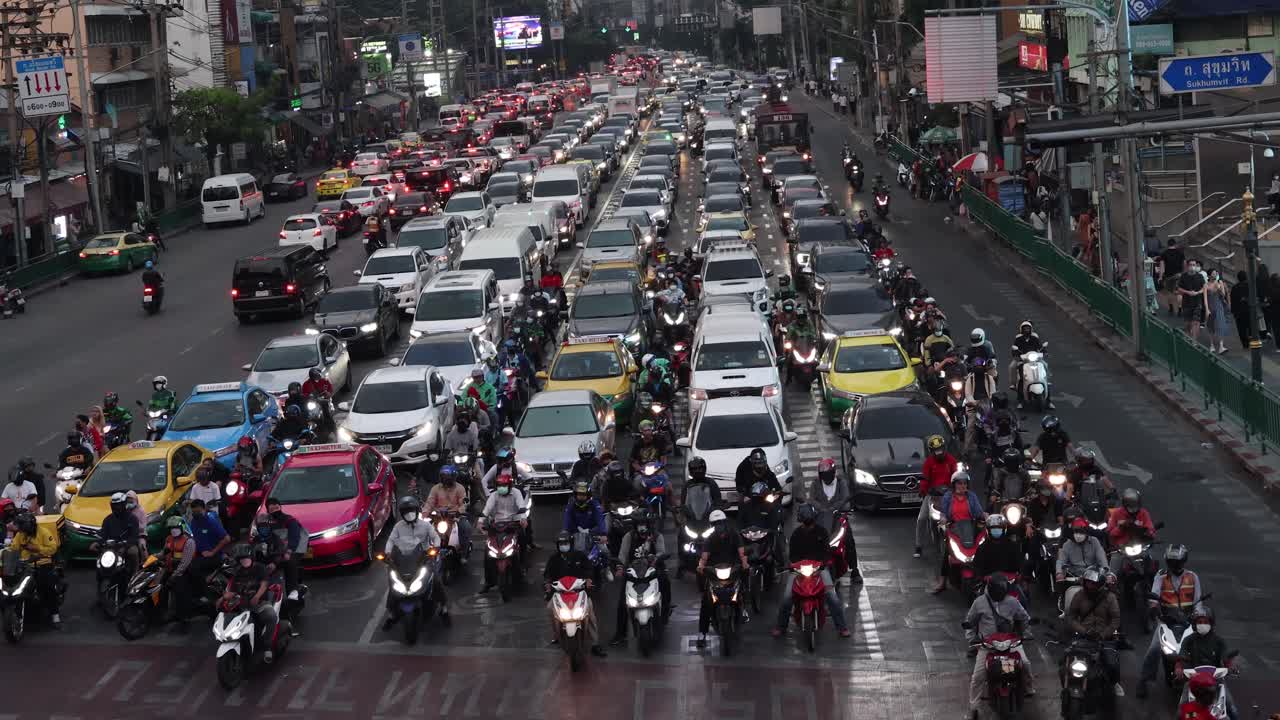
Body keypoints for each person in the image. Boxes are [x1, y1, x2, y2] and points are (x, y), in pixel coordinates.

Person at [770, 504, 852, 639]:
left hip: (819, 568)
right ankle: (781, 626)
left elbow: (826, 552)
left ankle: (842, 627)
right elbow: (793, 555)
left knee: (833, 598)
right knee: (786, 599)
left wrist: (822, 564)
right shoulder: (796, 534)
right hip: (799, 570)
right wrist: (793, 565)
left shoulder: (822, 532)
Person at [1137, 544, 1202, 698]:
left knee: (1200, 649)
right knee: (1153, 650)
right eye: (1172, 562)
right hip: (1166, 622)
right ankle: (1143, 680)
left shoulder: (1193, 577)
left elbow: (1198, 600)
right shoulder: (1160, 576)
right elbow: (1154, 596)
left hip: (1188, 621)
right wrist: (1154, 609)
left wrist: (1198, 616)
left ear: (1183, 561)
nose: (1175, 565)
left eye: (1178, 562)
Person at [965, 574, 1034, 716]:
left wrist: (1026, 633)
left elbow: (1024, 617)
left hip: (1010, 643)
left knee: (1025, 664)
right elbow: (970, 622)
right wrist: (972, 639)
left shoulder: (1012, 602)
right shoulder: (979, 602)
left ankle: (1028, 688)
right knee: (978, 677)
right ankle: (974, 706)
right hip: (988, 645)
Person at [381, 496, 449, 629]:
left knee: (435, 579)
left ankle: (444, 607)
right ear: (402, 513)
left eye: (411, 510)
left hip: (424, 558)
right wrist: (388, 553)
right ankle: (391, 613)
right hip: (403, 560)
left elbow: (435, 537)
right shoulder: (398, 526)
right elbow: (390, 541)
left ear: (417, 511)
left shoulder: (425, 525)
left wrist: (436, 547)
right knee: (393, 583)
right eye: (406, 511)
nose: (409, 513)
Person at [611, 509, 670, 645]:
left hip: (653, 571)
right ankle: (620, 634)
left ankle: (665, 614)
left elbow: (661, 552)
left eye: (644, 524)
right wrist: (620, 568)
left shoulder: (657, 536)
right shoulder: (628, 537)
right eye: (639, 524)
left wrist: (656, 559)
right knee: (622, 602)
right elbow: (622, 556)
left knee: (665, 583)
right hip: (633, 573)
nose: (641, 527)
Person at [543, 530, 607, 656]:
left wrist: (588, 579)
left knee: (590, 612)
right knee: (550, 608)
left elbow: (589, 569)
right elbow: (547, 575)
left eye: (566, 543)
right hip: (560, 592)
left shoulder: (580, 556)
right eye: (561, 543)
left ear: (571, 543)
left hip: (579, 591)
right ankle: (557, 634)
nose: (563, 545)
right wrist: (548, 584)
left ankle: (595, 644)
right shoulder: (553, 559)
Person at [1173, 606, 1239, 720]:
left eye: (1205, 622)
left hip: (1216, 680)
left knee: (1232, 709)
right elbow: (1181, 656)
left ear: (1211, 623)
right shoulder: (1189, 640)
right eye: (1199, 622)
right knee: (1180, 713)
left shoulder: (1219, 641)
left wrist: (1230, 666)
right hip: (1193, 680)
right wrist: (1178, 667)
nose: (1202, 624)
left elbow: (1226, 658)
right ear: (1194, 624)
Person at [1066, 566, 1123, 696]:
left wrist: (1104, 634)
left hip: (1104, 638)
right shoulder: (1079, 595)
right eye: (1087, 582)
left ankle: (1115, 684)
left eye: (1093, 583)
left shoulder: (1110, 597)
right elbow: (1071, 617)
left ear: (1101, 584)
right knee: (1065, 661)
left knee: (1112, 664)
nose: (1090, 585)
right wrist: (1083, 631)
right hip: (1083, 637)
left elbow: (1115, 620)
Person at [696, 509, 749, 648]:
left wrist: (744, 563)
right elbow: (704, 557)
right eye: (715, 524)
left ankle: (743, 608)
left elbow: (742, 552)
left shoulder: (734, 535)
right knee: (706, 601)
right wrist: (701, 566)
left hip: (733, 569)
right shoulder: (710, 539)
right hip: (715, 572)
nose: (719, 526)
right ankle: (702, 633)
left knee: (743, 584)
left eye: (720, 523)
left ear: (725, 523)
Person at [221, 544, 279, 658]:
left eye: (246, 558)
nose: (244, 561)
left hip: (260, 603)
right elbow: (232, 591)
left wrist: (257, 596)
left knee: (271, 616)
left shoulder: (260, 568)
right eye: (241, 559)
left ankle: (267, 647)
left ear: (251, 557)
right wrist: (223, 597)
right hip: (243, 605)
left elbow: (264, 584)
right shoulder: (237, 572)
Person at [933, 472, 985, 593]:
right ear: (954, 485)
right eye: (959, 483)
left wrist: (986, 516)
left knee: (983, 546)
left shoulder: (971, 496)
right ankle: (942, 582)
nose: (962, 486)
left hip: (970, 527)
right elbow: (944, 513)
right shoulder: (948, 496)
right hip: (954, 528)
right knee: (947, 552)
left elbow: (978, 512)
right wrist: (943, 518)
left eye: (964, 483)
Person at [809, 458, 860, 581]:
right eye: (823, 475)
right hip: (820, 520)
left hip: (838, 518)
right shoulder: (815, 484)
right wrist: (820, 508)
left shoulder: (842, 483)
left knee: (848, 539)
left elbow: (845, 499)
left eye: (828, 474)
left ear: (833, 473)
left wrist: (834, 508)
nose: (826, 477)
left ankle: (854, 570)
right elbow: (811, 500)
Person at [8, 511, 62, 627]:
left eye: (22, 526)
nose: (20, 529)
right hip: (24, 565)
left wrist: (37, 549)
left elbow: (52, 548)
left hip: (42, 564)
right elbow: (14, 548)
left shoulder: (44, 532)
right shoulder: (20, 535)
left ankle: (55, 614)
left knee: (47, 585)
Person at [479, 473, 529, 593]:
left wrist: (523, 519)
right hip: (497, 525)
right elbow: (487, 509)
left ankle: (522, 566)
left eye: (504, 485)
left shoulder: (516, 493)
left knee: (522, 539)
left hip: (513, 523)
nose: (501, 487)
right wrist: (480, 522)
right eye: (499, 485)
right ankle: (489, 582)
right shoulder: (494, 495)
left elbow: (521, 506)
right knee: (488, 552)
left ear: (510, 485)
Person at [917, 435, 957, 558]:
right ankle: (918, 546)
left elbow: (956, 476)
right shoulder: (928, 462)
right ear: (931, 451)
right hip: (932, 495)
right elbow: (925, 479)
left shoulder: (951, 460)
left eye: (941, 449)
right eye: (936, 450)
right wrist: (923, 490)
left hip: (948, 494)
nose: (939, 453)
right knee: (922, 518)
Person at [1106, 487, 1157, 576]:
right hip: (1120, 549)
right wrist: (1120, 527)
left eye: (1135, 506)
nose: (1133, 510)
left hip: (1139, 548)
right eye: (1131, 507)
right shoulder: (1117, 513)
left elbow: (1150, 529)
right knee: (1112, 575)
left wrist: (1149, 533)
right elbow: (1110, 532)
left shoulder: (1143, 513)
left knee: (1150, 569)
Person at [262, 497, 304, 600]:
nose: (276, 511)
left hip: (292, 549)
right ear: (268, 511)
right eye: (272, 509)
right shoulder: (266, 522)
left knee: (289, 561)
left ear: (280, 507)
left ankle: (293, 590)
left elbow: (295, 537)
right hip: (276, 550)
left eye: (277, 508)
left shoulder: (290, 520)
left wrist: (289, 551)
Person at [159, 515, 197, 625]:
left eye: (175, 527)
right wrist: (151, 559)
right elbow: (163, 553)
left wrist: (174, 575)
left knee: (180, 591)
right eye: (171, 528)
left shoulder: (189, 542)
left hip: (184, 571)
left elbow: (185, 562)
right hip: (170, 568)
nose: (173, 530)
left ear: (182, 528)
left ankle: (183, 618)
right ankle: (164, 611)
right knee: (159, 587)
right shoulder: (169, 539)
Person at [90, 492, 142, 572]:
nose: (117, 507)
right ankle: (101, 573)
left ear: (124, 504)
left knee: (133, 552)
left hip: (127, 545)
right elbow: (103, 533)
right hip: (111, 546)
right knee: (96, 550)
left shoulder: (132, 518)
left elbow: (134, 537)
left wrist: (125, 547)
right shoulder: (108, 519)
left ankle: (135, 573)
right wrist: (97, 542)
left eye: (119, 505)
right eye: (115, 505)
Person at [425, 464, 472, 549]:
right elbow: (429, 502)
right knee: (424, 528)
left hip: (455, 517)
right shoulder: (435, 488)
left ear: (453, 477)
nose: (446, 479)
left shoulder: (460, 488)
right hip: (439, 517)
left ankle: (463, 553)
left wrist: (460, 512)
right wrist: (425, 513)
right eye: (443, 476)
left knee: (466, 527)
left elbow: (464, 503)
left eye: (448, 477)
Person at [974, 515, 1024, 594]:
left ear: (1004, 529)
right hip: (989, 583)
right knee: (978, 601)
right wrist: (981, 577)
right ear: (988, 530)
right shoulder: (982, 547)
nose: (996, 531)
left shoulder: (1012, 546)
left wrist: (1019, 574)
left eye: (999, 529)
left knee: (1023, 600)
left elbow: (1020, 562)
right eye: (993, 529)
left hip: (1010, 583)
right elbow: (977, 565)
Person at [187, 498, 231, 578]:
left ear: (204, 510)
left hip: (213, 555)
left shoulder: (211, 521)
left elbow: (227, 538)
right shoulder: (194, 522)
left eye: (198, 512)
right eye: (194, 512)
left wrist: (212, 552)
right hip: (200, 554)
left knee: (193, 568)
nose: (196, 514)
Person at [1056, 517, 1109, 582]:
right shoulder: (1067, 545)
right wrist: (1059, 573)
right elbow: (1061, 560)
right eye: (1076, 532)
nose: (1078, 535)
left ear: (1086, 532)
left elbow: (1102, 558)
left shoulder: (1094, 541)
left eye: (1081, 532)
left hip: (1094, 575)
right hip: (1075, 576)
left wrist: (1107, 572)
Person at [1178, 260, 1208, 339]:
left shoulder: (1200, 276)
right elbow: (1179, 289)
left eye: (1194, 265)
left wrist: (1198, 292)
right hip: (1186, 303)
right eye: (1191, 265)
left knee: (1196, 322)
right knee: (1187, 323)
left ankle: (1194, 340)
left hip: (1197, 302)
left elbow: (1204, 287)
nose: (1192, 266)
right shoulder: (1183, 276)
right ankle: (1188, 337)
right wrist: (1188, 292)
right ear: (1187, 266)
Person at [1205, 269, 1230, 354]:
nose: (1215, 275)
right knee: (1210, 326)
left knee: (1221, 324)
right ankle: (1211, 345)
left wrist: (1219, 288)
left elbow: (1223, 295)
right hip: (1210, 307)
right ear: (1209, 276)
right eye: (1213, 273)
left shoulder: (1220, 283)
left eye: (1216, 273)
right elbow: (1205, 299)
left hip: (1219, 306)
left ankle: (1221, 345)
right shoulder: (1206, 285)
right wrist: (1207, 309)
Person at [1160, 238, 1187, 315]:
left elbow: (1162, 266)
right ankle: (1179, 309)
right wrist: (1184, 273)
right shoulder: (1180, 253)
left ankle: (1171, 308)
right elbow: (1184, 264)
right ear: (1175, 244)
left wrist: (1161, 276)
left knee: (1169, 292)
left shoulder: (1164, 253)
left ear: (1168, 245)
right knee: (1179, 293)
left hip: (1168, 275)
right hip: (1178, 275)